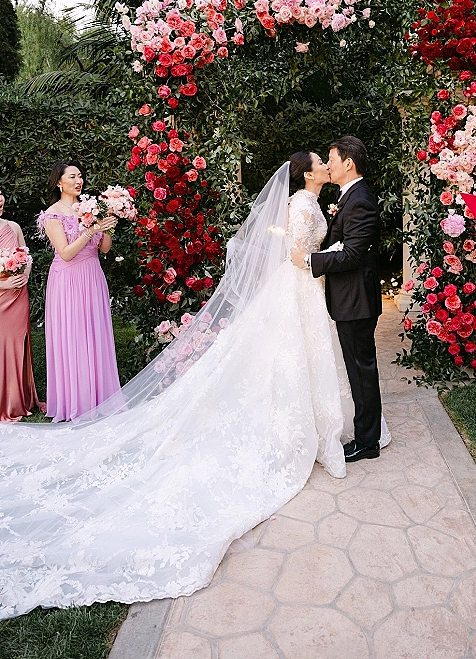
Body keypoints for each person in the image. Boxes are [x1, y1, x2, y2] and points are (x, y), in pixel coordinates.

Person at [0, 153, 390, 619]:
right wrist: (309, 258)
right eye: (322, 163)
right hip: (301, 284)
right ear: (308, 173)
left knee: (309, 359)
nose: (328, 165)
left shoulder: (320, 201)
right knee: (294, 359)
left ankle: (321, 420)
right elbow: (294, 250)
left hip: (309, 287)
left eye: (331, 160)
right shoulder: (303, 206)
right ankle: (305, 425)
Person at [291, 136, 383, 463]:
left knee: (362, 370)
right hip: (350, 297)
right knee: (359, 370)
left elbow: (354, 253)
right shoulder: (349, 196)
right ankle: (366, 434)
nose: (328, 166)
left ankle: (367, 441)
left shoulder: (360, 199)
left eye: (332, 159)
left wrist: (309, 261)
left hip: (356, 299)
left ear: (348, 163)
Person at [38, 161, 122, 421]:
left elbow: (104, 249)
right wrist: (90, 230)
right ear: (59, 182)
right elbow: (64, 253)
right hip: (68, 280)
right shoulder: (53, 214)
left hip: (92, 276)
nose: (79, 180)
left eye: (81, 176)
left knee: (95, 333)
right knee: (73, 335)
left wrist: (106, 227)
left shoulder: (90, 208)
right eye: (72, 176)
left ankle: (100, 398)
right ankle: (75, 401)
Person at [0, 190, 44, 421]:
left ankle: (18, 399)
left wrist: (24, 275)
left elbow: (26, 256)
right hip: (1, 292)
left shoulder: (13, 227)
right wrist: (4, 282)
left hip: (17, 295)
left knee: (16, 344)